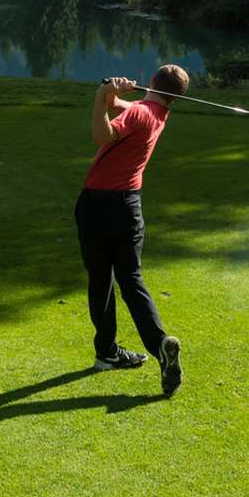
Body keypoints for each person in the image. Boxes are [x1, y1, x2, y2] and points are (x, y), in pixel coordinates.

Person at [75, 66, 186, 396]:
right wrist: (112, 92)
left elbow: (101, 134)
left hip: (97, 205)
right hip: (128, 208)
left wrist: (100, 96)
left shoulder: (140, 113)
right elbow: (120, 109)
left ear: (151, 82)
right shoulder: (157, 113)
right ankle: (158, 344)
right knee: (130, 278)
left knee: (100, 278)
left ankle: (106, 351)